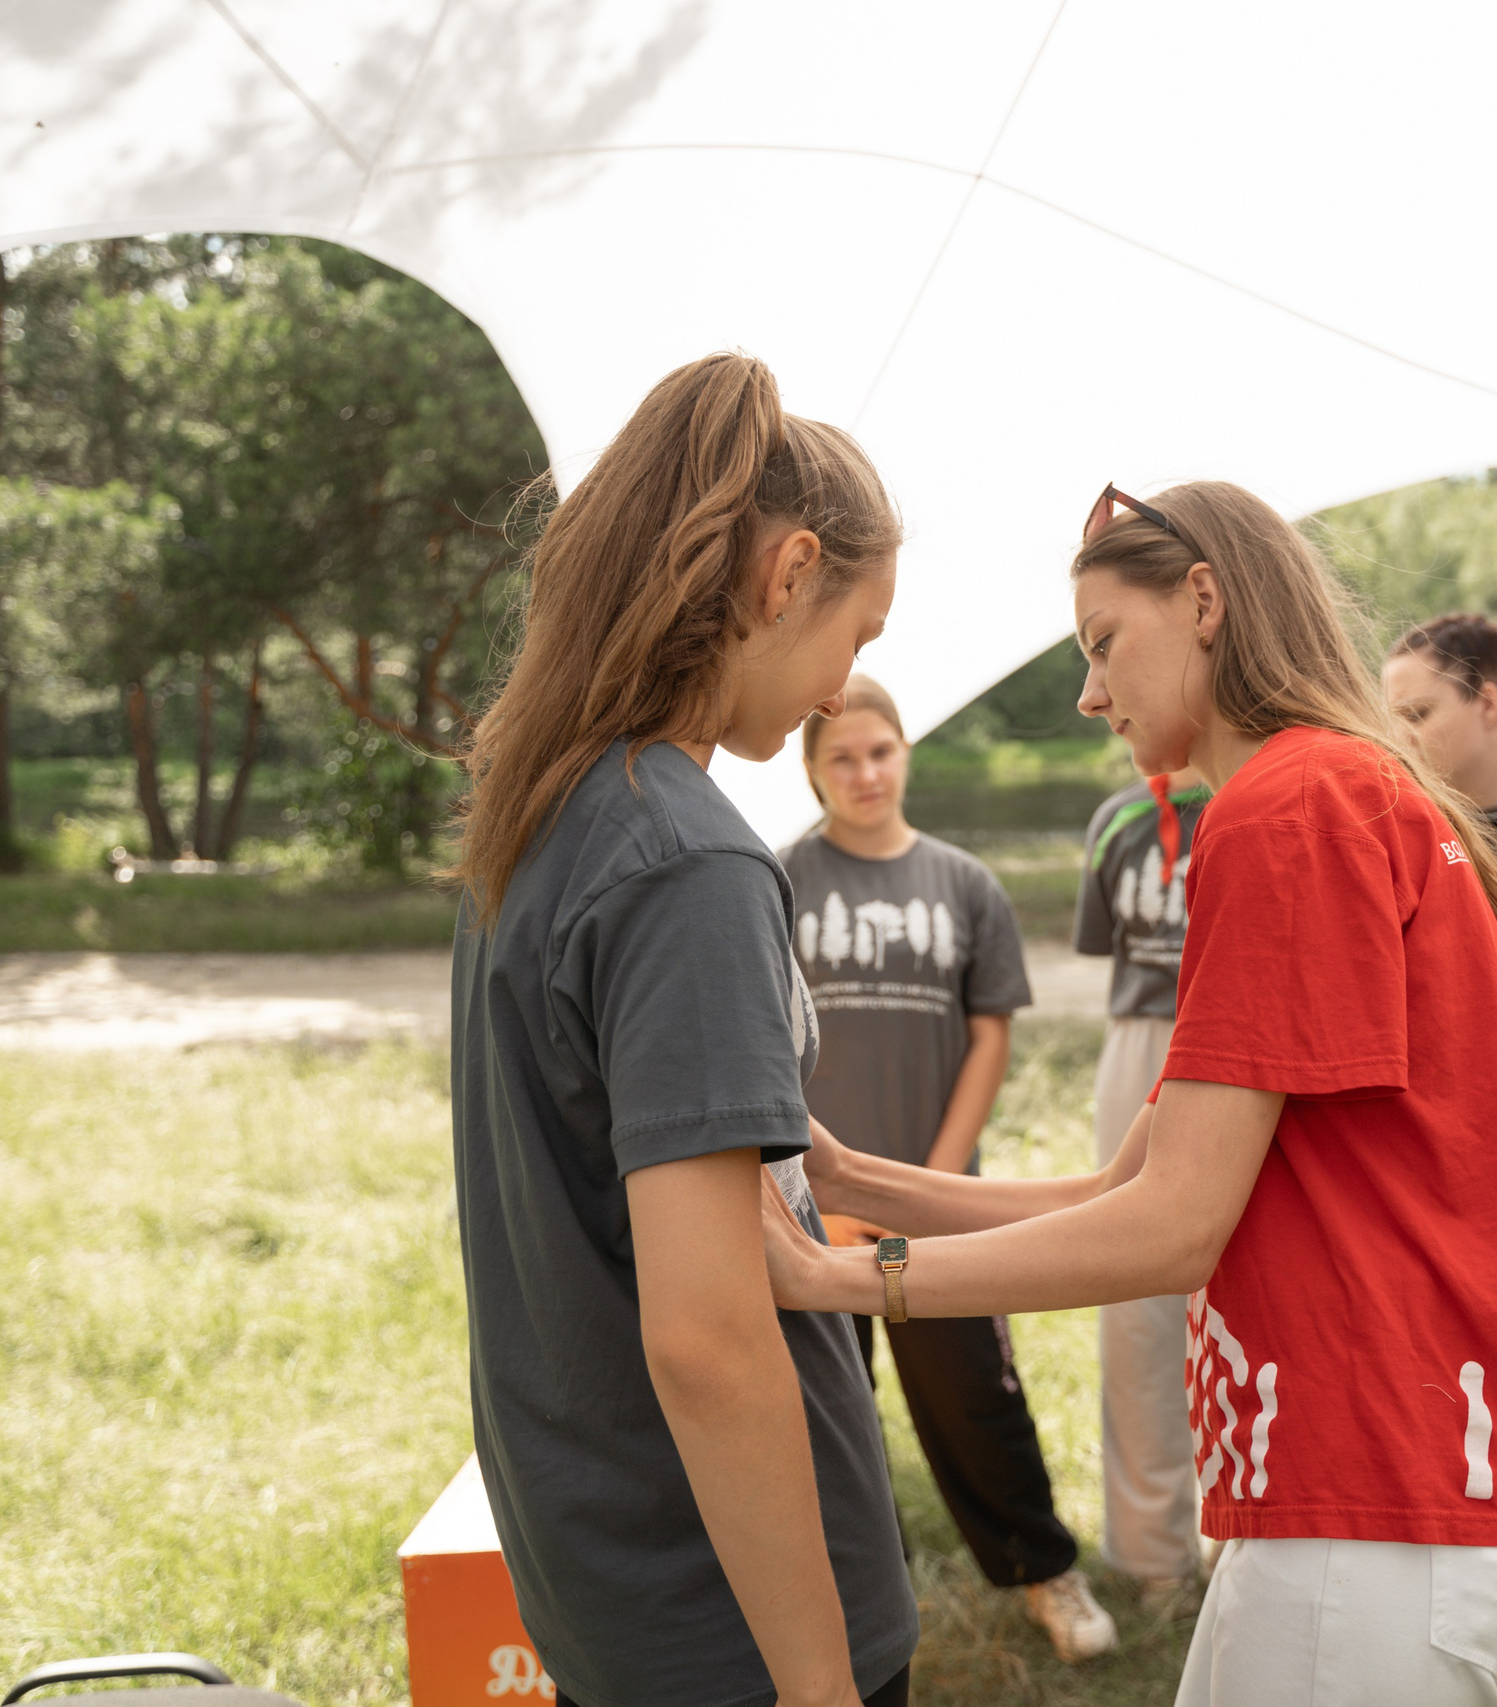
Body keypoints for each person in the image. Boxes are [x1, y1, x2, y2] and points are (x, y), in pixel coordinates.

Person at [759, 479, 1497, 1707]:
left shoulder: (1285, 807)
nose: (1089, 696)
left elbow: (1173, 1228)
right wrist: (847, 1177)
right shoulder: (1344, 784)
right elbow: (1119, 1188)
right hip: (1396, 1474)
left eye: (1101, 644)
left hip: (1378, 1476)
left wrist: (840, 1279)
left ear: (1203, 601)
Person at [445, 352, 916, 1707]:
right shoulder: (685, 861)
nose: (840, 693)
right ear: (788, 573)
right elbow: (707, 1337)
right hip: (736, 1614)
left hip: (610, 1575)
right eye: (857, 637)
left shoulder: (545, 805)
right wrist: (818, 1683)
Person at [781, 673, 1118, 1663]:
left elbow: (987, 1038)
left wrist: (930, 1190)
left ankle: (1043, 1569)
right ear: (812, 771)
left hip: (937, 1206)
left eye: (881, 751)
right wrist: (812, 1189)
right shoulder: (775, 878)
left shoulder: (963, 882)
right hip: (808, 1210)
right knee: (818, 1414)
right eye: (842, 757)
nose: (865, 773)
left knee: (976, 1398)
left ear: (907, 752)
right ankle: (842, 1600)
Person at [1072, 760, 1211, 1604]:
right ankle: (1153, 1544)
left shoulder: (1260, 802)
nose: (1099, 702)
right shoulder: (1119, 820)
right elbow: (1106, 946)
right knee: (1134, 1297)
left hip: (1241, 1030)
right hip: (1143, 1035)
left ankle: (1259, 1536)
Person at [1385, 613, 1497, 1061]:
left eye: (1417, 714)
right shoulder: (1396, 831)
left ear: (1488, 703)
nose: (1398, 738)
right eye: (1391, 721)